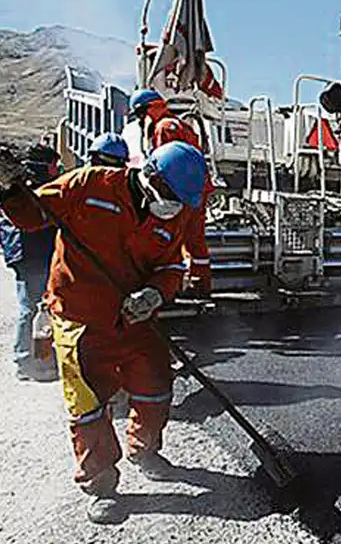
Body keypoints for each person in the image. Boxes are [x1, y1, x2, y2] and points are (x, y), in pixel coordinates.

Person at [0, 141, 207, 524]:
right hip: (81, 320)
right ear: (151, 177)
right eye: (169, 196)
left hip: (135, 320)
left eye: (180, 202)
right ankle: (101, 483)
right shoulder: (90, 185)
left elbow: (172, 267)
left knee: (156, 388)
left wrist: (156, 293)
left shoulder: (172, 216)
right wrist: (10, 188)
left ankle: (144, 450)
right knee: (88, 408)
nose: (172, 206)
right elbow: (31, 217)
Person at [129, 89, 213, 296]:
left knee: (171, 237)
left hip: (179, 190)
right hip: (196, 187)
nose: (140, 120)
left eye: (140, 114)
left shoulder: (163, 128)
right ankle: (200, 283)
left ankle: (171, 286)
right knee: (194, 238)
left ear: (148, 110)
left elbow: (167, 163)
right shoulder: (180, 124)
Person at [0, 143, 59, 381]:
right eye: (54, 165)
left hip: (30, 252)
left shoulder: (24, 186)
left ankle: (38, 357)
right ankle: (25, 360)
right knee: (31, 307)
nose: (58, 169)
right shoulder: (28, 189)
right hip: (29, 254)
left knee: (38, 306)